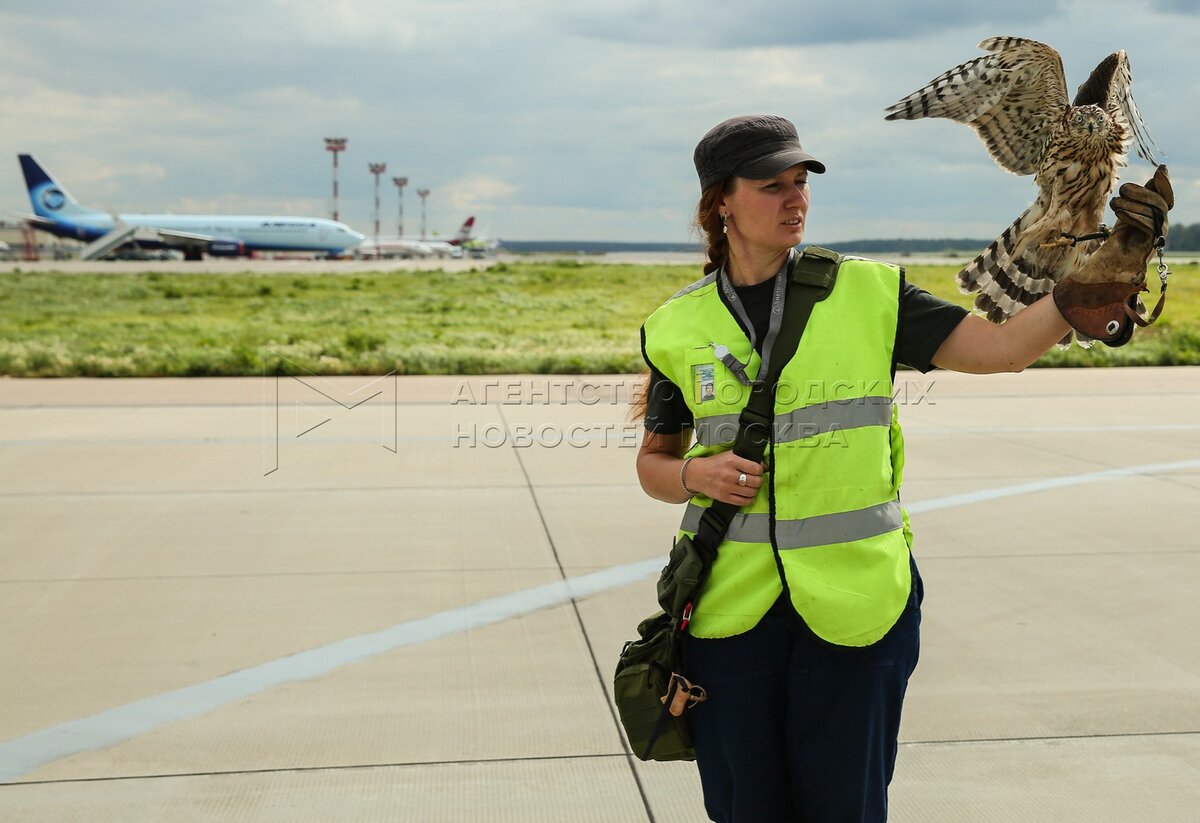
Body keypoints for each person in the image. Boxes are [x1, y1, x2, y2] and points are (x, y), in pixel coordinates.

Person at [632, 114, 1100, 823]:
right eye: (771, 186)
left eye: (800, 183)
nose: (795, 199)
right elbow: (654, 464)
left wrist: (1080, 294)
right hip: (727, 616)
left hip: (857, 610)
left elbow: (1002, 349)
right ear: (720, 202)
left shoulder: (871, 294)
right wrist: (694, 477)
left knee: (845, 809)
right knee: (743, 809)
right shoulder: (675, 325)